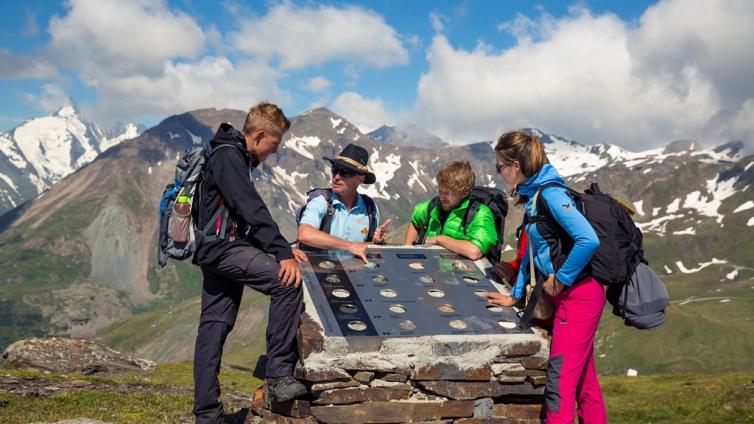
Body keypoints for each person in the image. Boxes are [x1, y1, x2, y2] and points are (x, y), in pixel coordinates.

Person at [192, 102, 308, 423]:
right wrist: (283, 254)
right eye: (274, 145)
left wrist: (281, 247)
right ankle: (279, 374)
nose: (274, 152)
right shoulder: (229, 157)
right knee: (287, 283)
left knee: (214, 327)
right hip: (224, 249)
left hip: (215, 248)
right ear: (258, 136)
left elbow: (237, 217)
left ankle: (207, 416)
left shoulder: (230, 155)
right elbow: (250, 208)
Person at [484, 130, 605, 424]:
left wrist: (562, 278)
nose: (498, 172)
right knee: (585, 383)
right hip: (571, 296)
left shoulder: (550, 193)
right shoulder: (535, 195)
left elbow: (588, 239)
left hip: (579, 296)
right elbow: (530, 253)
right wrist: (515, 294)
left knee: (559, 383)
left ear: (517, 165)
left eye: (500, 166)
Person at [297, 144, 391, 261]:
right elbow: (305, 234)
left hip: (355, 274)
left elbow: (367, 248)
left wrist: (378, 242)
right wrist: (349, 246)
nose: (336, 177)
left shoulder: (370, 207)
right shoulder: (321, 202)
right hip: (319, 272)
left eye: (345, 173)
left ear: (360, 179)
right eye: (335, 170)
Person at [404, 160, 497, 260]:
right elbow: (416, 220)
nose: (442, 197)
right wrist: (408, 252)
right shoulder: (433, 207)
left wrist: (439, 240)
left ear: (464, 193)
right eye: (440, 190)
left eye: (448, 193)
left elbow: (474, 251)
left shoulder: (480, 214)